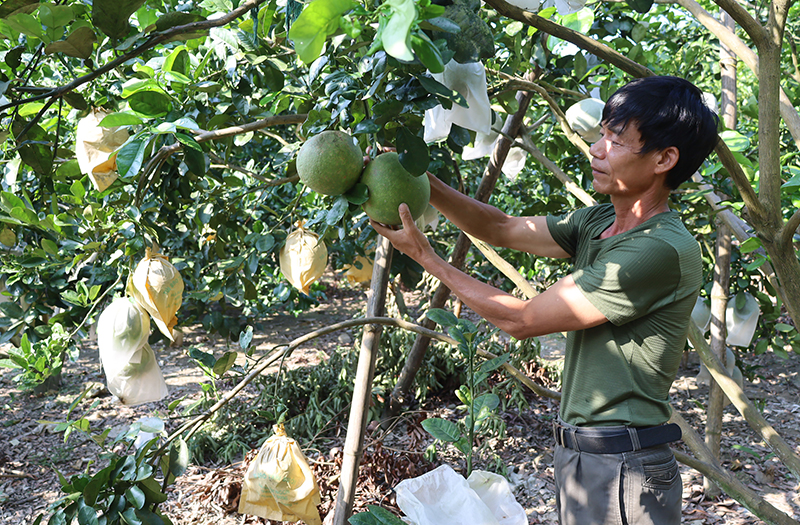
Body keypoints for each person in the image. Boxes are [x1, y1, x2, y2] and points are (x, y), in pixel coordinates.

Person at [370, 75, 720, 525]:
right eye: (600, 135)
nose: (596, 149)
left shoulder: (657, 249)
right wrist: (415, 175)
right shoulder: (600, 223)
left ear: (664, 159)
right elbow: (498, 227)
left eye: (615, 140)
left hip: (621, 468)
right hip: (583, 457)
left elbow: (523, 319)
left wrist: (428, 259)